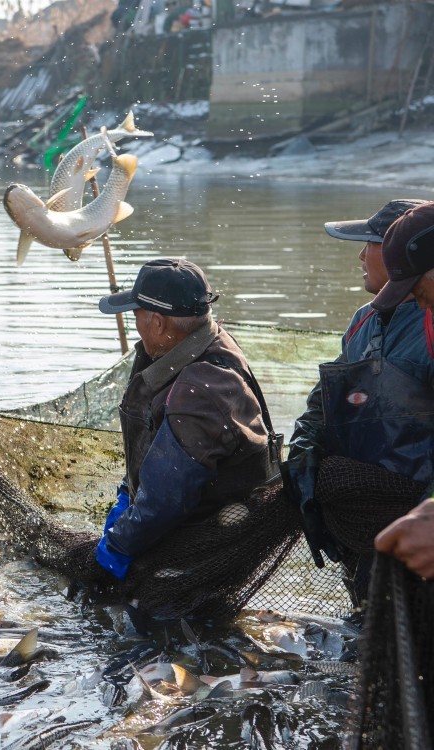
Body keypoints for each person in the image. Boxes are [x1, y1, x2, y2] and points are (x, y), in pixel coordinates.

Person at [284, 199, 433, 606]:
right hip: (358, 509)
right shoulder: (363, 319)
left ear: (396, 253)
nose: (359, 256)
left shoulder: (429, 324)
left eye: (368, 243)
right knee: (368, 617)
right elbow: (326, 397)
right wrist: (305, 450)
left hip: (412, 506)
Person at [92, 258, 280, 580]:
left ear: (159, 323)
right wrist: (128, 492)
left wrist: (118, 545)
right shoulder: (208, 339)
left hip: (205, 547)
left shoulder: (198, 392)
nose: (134, 323)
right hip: (201, 522)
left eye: (137, 314)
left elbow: (164, 503)